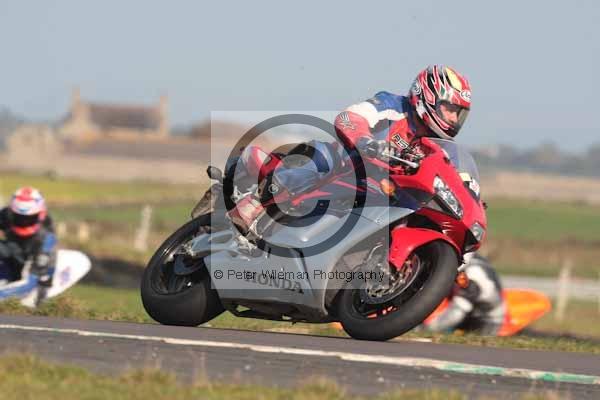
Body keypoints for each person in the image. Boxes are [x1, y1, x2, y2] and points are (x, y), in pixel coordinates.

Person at [228, 65, 472, 233]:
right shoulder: (394, 105)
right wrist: (364, 139)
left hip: (386, 191)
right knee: (327, 156)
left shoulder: (441, 148)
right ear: (428, 94)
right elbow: (350, 117)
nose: (453, 118)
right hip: (350, 166)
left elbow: (453, 176)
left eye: (458, 114)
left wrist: (470, 194)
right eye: (449, 109)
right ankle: (256, 202)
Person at [423, 252, 506, 335]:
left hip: (484, 320)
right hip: (472, 311)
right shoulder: (468, 259)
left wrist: (427, 328)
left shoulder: (473, 275)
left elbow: (457, 313)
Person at [0, 187, 57, 302]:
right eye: (19, 217)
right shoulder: (5, 214)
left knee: (42, 276)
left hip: (33, 255)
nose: (23, 221)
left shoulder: (46, 231)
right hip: (11, 250)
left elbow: (35, 275)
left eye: (28, 218)